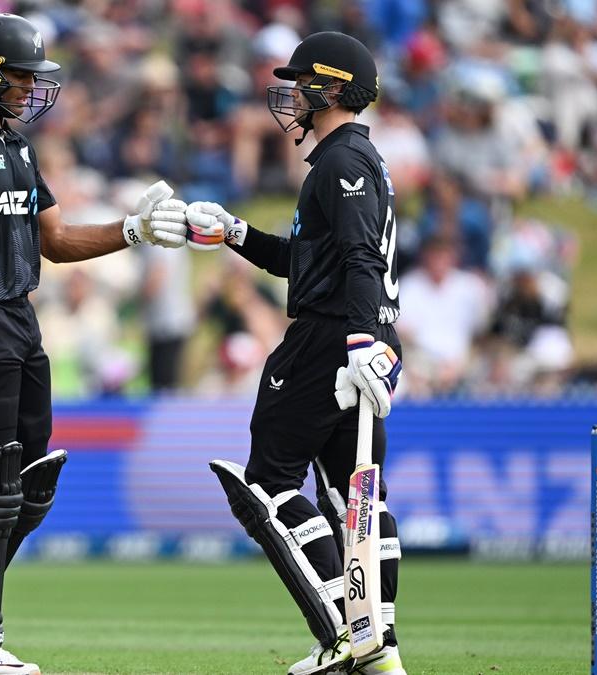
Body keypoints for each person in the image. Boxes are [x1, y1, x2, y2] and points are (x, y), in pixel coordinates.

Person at [0, 14, 197, 675]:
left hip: (22, 322)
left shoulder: (19, 148)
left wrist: (135, 230)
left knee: (28, 483)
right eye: (23, 76)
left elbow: (55, 241)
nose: (32, 88)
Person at [187, 32, 407, 675]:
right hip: (358, 333)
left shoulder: (342, 166)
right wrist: (233, 233)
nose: (292, 94)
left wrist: (361, 338)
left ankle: (342, 631)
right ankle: (378, 647)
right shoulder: (355, 159)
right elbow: (305, 262)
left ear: (333, 89)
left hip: (330, 338)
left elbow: (363, 257)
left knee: (269, 482)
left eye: (303, 82)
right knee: (355, 495)